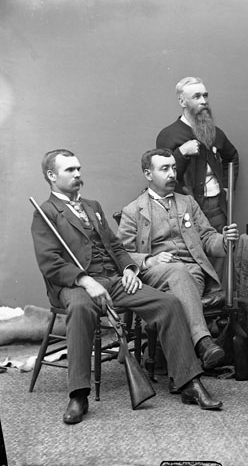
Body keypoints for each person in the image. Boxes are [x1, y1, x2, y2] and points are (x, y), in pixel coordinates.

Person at [31, 149, 224, 425]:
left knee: (168, 304)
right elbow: (49, 262)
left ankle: (189, 383)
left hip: (112, 279)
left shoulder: (92, 206)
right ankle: (78, 395)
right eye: (70, 170)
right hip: (72, 284)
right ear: (52, 176)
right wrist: (85, 281)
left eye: (79, 168)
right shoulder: (46, 212)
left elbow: (116, 247)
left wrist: (130, 270)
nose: (78, 174)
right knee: (82, 307)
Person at [117, 148, 239, 370]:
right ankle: (203, 342)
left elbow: (207, 237)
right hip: (155, 275)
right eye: (164, 169)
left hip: (193, 272)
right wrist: (150, 260)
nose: (172, 173)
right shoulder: (133, 210)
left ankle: (176, 366)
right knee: (178, 273)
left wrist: (224, 241)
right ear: (148, 174)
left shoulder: (187, 203)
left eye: (173, 167)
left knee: (183, 280)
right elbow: (121, 254)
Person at [156, 77, 239, 281]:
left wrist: (228, 187)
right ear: (182, 102)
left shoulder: (214, 132)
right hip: (186, 211)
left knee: (221, 257)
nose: (203, 101)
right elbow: (161, 176)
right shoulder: (169, 135)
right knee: (192, 260)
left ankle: (219, 308)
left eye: (205, 95)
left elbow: (232, 157)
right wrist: (181, 153)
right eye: (197, 96)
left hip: (217, 208)